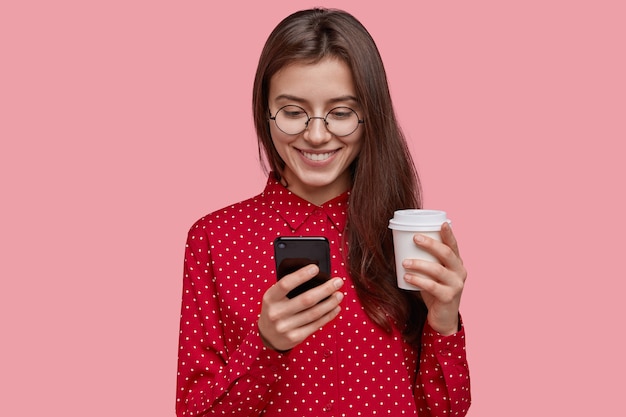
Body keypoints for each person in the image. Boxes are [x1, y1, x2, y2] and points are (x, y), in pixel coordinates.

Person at [176, 8, 470, 416]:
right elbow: (195, 411)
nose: (316, 135)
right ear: (265, 111)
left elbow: (445, 411)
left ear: (371, 117)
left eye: (341, 113)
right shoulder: (215, 237)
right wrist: (265, 346)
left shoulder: (401, 236)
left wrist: (444, 321)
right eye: (294, 112)